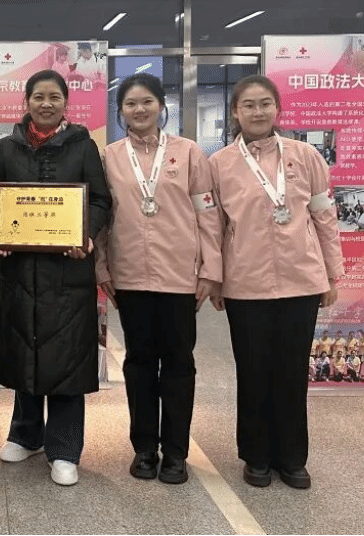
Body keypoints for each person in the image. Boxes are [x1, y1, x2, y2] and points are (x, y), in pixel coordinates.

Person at [207, 75, 344, 490]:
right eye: (248, 105)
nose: (258, 111)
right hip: (245, 282)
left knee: (291, 372)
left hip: (301, 280)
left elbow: (324, 217)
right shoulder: (220, 164)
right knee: (252, 371)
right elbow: (213, 227)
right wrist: (215, 278)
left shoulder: (305, 156)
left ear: (277, 109)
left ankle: (292, 458)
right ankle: (256, 456)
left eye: (265, 103)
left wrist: (332, 274)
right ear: (235, 112)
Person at [0, 69, 112, 487]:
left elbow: (99, 199)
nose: (46, 103)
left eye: (54, 97)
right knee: (25, 347)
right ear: (26, 102)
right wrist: (0, 234)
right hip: (19, 268)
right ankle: (25, 434)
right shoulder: (8, 146)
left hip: (67, 268)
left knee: (66, 358)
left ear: (65, 103)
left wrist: (86, 235)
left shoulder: (83, 145)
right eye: (38, 96)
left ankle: (64, 448)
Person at [94, 73, 222, 485]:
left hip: (179, 276)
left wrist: (211, 269)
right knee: (139, 364)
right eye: (131, 103)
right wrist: (101, 267)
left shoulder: (189, 153)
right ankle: (145, 449)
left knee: (179, 364)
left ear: (161, 106)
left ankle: (177, 453)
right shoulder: (109, 157)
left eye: (147, 101)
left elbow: (208, 215)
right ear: (121, 111)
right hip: (130, 276)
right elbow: (101, 219)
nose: (140, 109)